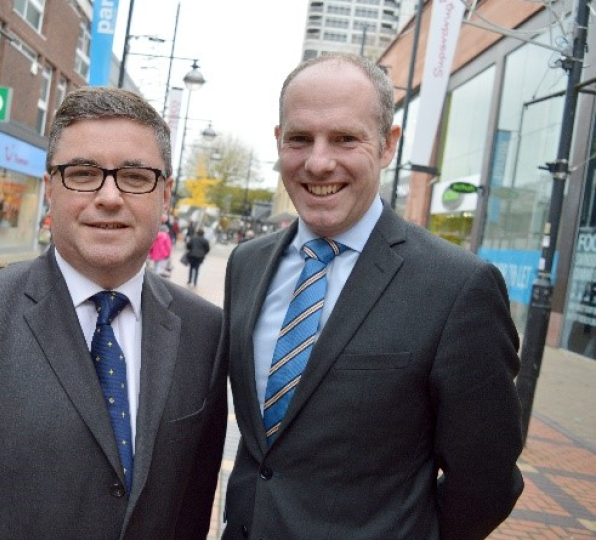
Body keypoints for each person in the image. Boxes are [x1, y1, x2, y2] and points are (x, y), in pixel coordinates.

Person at [0, 87, 227, 540]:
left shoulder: (205, 331)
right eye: (83, 173)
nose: (109, 196)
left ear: (165, 195)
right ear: (50, 187)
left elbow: (191, 506)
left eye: (135, 176)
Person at [221, 53, 523, 540]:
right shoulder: (247, 264)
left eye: (345, 138)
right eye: (300, 138)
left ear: (388, 145)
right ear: (279, 141)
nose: (319, 162)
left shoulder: (458, 287)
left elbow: (487, 480)